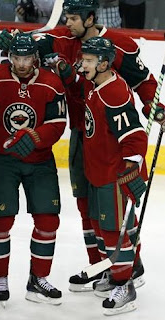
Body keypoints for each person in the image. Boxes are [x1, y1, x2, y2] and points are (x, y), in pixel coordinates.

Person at [0, 0, 165, 293]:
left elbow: (143, 82)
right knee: (87, 204)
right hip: (81, 134)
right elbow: (34, 45)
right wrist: (14, 38)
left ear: (90, 18)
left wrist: (156, 107)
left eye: (73, 18)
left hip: (110, 139)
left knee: (114, 205)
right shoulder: (63, 38)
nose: (68, 24)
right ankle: (101, 266)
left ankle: (130, 265)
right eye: (67, 17)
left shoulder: (118, 46)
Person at [0, 33, 67, 305]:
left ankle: (37, 279)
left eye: (27, 58)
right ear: (10, 57)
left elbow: (58, 121)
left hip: (40, 162)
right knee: (1, 223)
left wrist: (35, 138)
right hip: (3, 160)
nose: (22, 63)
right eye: (16, 57)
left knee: (48, 221)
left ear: (35, 58)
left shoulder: (52, 83)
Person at [80, 36, 147, 315]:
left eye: (88, 61)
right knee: (101, 227)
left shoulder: (115, 93)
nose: (83, 65)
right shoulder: (97, 85)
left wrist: (131, 168)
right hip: (97, 172)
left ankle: (125, 285)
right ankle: (121, 271)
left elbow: (135, 135)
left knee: (112, 232)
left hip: (113, 175)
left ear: (104, 64)